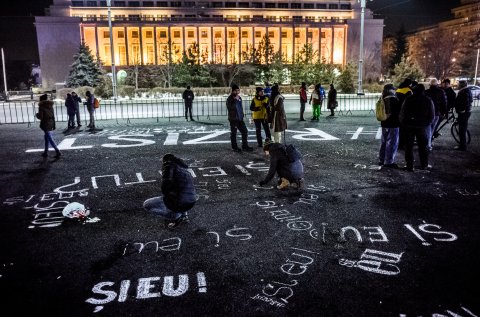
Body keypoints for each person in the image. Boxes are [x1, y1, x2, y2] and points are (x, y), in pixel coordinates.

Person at [143, 154, 196, 229]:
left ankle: (176, 216)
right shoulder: (185, 170)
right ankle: (184, 215)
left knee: (147, 205)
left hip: (179, 202)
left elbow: (165, 187)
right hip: (191, 201)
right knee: (182, 193)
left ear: (165, 161)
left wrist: (168, 195)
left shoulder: (168, 167)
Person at [399, 84, 435, 171]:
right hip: (422, 126)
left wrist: (403, 123)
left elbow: (402, 112)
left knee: (409, 146)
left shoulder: (408, 99)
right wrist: (427, 123)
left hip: (409, 125)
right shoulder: (427, 100)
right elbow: (432, 114)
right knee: (423, 146)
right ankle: (424, 164)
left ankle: (409, 165)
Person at [378, 84, 401, 168]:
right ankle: (389, 162)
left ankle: (381, 159)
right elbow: (398, 112)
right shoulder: (394, 100)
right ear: (391, 90)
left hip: (384, 123)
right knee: (392, 143)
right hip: (393, 124)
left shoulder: (382, 98)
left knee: (384, 142)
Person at [226, 83, 253, 152]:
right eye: (236, 90)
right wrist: (235, 100)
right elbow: (230, 108)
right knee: (234, 133)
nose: (238, 92)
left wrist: (242, 115)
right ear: (233, 91)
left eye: (238, 90)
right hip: (233, 119)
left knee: (244, 131)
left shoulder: (239, 98)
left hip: (240, 119)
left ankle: (244, 146)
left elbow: (240, 108)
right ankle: (234, 147)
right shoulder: (230, 99)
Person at [36, 94, 61, 158]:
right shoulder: (50, 105)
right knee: (46, 137)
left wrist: (37, 115)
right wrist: (54, 125)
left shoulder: (41, 106)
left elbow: (41, 117)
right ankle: (46, 152)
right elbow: (53, 116)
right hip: (51, 122)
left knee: (49, 138)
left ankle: (57, 151)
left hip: (45, 123)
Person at [425, 78, 447, 151]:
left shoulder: (426, 92)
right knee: (431, 129)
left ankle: (428, 144)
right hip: (436, 113)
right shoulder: (441, 92)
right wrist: (444, 112)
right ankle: (428, 145)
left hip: (427, 114)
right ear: (437, 84)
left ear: (429, 84)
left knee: (428, 129)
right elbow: (444, 103)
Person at [453, 80, 473, 151]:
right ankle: (462, 145)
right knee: (462, 128)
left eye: (458, 84)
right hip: (466, 112)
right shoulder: (467, 90)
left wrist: (462, 109)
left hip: (463, 113)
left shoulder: (464, 92)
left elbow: (466, 101)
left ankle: (462, 146)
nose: (457, 85)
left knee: (462, 130)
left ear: (461, 85)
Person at [396, 79, 413, 149]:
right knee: (405, 130)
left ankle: (398, 143)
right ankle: (402, 144)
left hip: (398, 111)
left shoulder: (398, 89)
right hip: (405, 112)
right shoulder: (408, 91)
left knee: (399, 129)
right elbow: (410, 102)